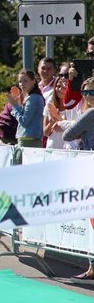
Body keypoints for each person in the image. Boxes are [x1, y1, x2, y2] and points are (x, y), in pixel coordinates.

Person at [63, 77, 94, 281]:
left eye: (91, 92)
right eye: (84, 93)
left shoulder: (90, 113)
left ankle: (92, 269)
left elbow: (67, 134)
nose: (87, 96)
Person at [5, 69, 44, 151]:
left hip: (28, 141)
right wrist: (18, 103)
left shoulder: (33, 98)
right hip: (29, 139)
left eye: (25, 81)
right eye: (20, 81)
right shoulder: (32, 97)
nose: (22, 84)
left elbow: (24, 121)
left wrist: (14, 105)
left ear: (33, 81)